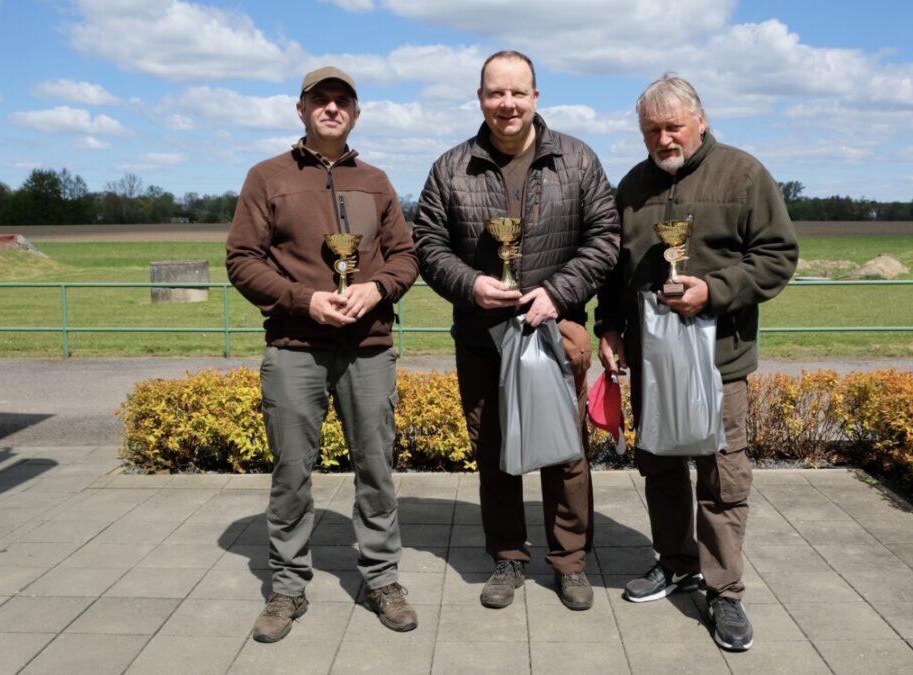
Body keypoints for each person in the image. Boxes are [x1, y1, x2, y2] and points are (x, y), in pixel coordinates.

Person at [594, 74, 798, 651]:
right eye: (652, 130)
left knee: (721, 475)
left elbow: (778, 256)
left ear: (700, 121)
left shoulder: (743, 174)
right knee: (659, 466)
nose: (664, 138)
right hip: (654, 361)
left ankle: (725, 590)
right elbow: (615, 269)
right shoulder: (631, 186)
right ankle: (676, 561)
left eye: (673, 126)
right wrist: (608, 326)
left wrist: (715, 289)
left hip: (719, 358)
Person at [412, 50, 620, 612]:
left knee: (565, 451)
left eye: (517, 92)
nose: (507, 103)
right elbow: (427, 245)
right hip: (482, 338)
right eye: (495, 93)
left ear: (536, 96)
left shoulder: (577, 160)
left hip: (556, 333)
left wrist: (558, 294)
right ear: (480, 98)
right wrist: (470, 284)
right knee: (494, 451)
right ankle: (507, 556)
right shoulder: (451, 167)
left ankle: (570, 561)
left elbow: (605, 237)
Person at [227, 66, 420, 641]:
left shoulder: (378, 181)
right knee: (291, 472)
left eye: (342, 101)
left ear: (355, 113)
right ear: (301, 109)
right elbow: (242, 259)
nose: (332, 108)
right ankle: (287, 588)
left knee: (377, 470)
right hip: (295, 347)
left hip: (368, 348)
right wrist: (303, 299)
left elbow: (406, 256)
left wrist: (376, 287)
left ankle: (382, 578)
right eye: (321, 100)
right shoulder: (267, 177)